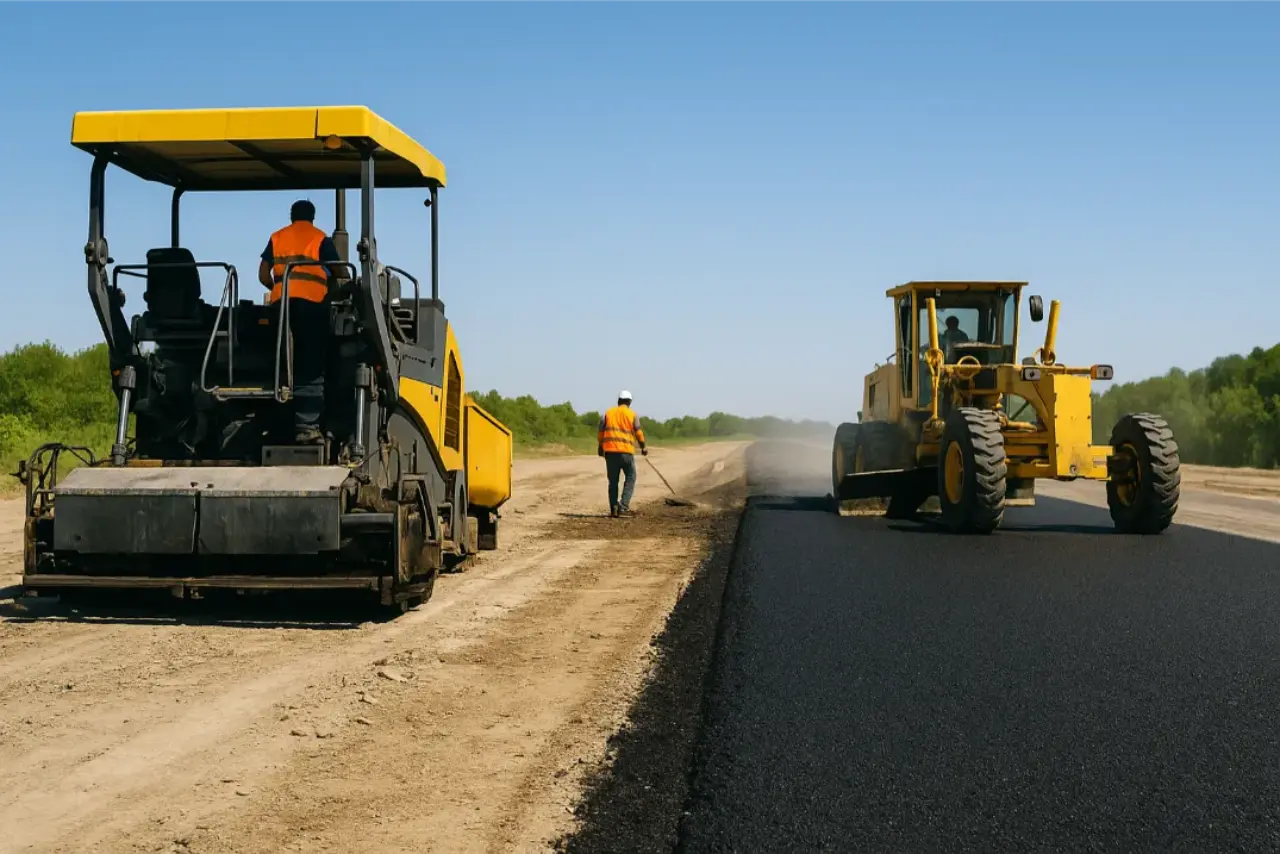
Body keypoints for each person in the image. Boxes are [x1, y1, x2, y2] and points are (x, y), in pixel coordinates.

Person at [257, 200, 341, 445]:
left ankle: (276, 422)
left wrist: (277, 289)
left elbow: (263, 273)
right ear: (313, 217)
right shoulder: (320, 239)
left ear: (291, 216)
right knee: (310, 364)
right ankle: (307, 425)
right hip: (312, 306)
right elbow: (341, 273)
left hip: (280, 307)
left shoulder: (277, 237)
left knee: (282, 363)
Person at [597, 390, 647, 518]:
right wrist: (643, 447)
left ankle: (614, 508)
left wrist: (600, 446)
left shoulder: (608, 413)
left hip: (610, 452)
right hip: (626, 452)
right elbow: (638, 432)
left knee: (613, 481)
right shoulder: (632, 414)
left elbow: (601, 431)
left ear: (618, 401)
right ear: (629, 402)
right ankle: (623, 506)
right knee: (631, 476)